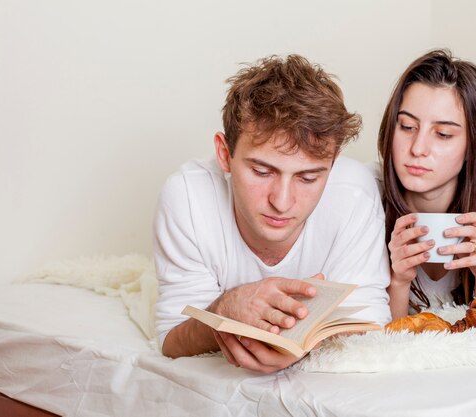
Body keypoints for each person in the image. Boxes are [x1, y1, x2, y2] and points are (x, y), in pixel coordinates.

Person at [153, 54, 391, 373]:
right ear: (225, 154)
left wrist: (302, 344)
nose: (282, 202)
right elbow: (171, 339)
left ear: (333, 164)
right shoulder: (188, 196)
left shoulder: (354, 192)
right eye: (262, 171)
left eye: (308, 178)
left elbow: (371, 322)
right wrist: (223, 312)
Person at [377, 49, 476, 319]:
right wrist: (399, 281)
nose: (418, 148)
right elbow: (382, 338)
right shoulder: (368, 191)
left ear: (473, 144)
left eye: (442, 134)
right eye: (406, 127)